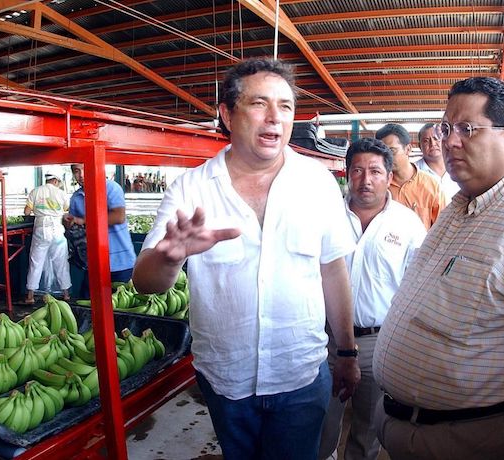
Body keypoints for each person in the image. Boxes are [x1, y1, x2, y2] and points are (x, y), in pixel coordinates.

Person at [132, 57, 360, 460]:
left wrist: (346, 352)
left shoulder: (317, 183)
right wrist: (169, 259)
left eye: (285, 106)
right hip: (226, 381)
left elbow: (332, 270)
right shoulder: (192, 188)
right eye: (259, 103)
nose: (275, 117)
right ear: (227, 114)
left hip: (301, 375)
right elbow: (144, 281)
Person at [373, 77, 504, 459]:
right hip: (410, 428)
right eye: (447, 129)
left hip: (473, 439)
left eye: (467, 129)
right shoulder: (460, 204)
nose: (450, 141)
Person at [318, 138, 426, 460]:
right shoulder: (325, 217)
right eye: (358, 170)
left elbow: (417, 288)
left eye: (375, 171)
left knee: (368, 430)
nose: (366, 180)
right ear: (347, 173)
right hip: (324, 340)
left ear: (389, 176)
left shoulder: (408, 225)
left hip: (379, 342)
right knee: (321, 425)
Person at [65, 163, 136, 298]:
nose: (81, 175)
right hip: (94, 264)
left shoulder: (111, 188)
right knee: (88, 304)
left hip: (120, 264)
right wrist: (69, 222)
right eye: (76, 171)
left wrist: (84, 220)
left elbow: (118, 216)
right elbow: (75, 225)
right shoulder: (76, 197)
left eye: (85, 169)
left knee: (122, 305)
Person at [375, 123, 446, 229]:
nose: (386, 158)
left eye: (392, 151)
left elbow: (442, 229)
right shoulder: (378, 186)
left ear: (408, 149)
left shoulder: (432, 186)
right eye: (382, 153)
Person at [24, 172, 71, 304]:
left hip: (41, 229)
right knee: (61, 263)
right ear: (55, 181)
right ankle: (66, 294)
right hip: (57, 230)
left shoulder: (35, 191)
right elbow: (67, 211)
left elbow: (26, 211)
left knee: (35, 263)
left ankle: (30, 296)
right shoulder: (61, 193)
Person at [414, 122, 460, 201]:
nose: (432, 144)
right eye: (426, 141)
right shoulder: (414, 172)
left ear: (445, 141)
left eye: (436, 138)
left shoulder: (458, 166)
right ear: (420, 146)